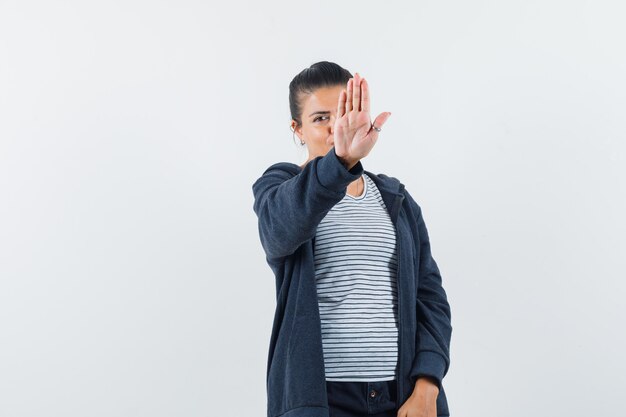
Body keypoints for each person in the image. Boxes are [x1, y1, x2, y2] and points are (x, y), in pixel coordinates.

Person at [252, 61, 453, 417]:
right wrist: (340, 161)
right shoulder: (281, 188)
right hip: (322, 401)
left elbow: (431, 299)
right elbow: (277, 233)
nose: (337, 127)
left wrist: (427, 386)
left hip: (402, 398)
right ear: (297, 129)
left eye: (345, 112)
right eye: (320, 118)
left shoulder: (396, 199)